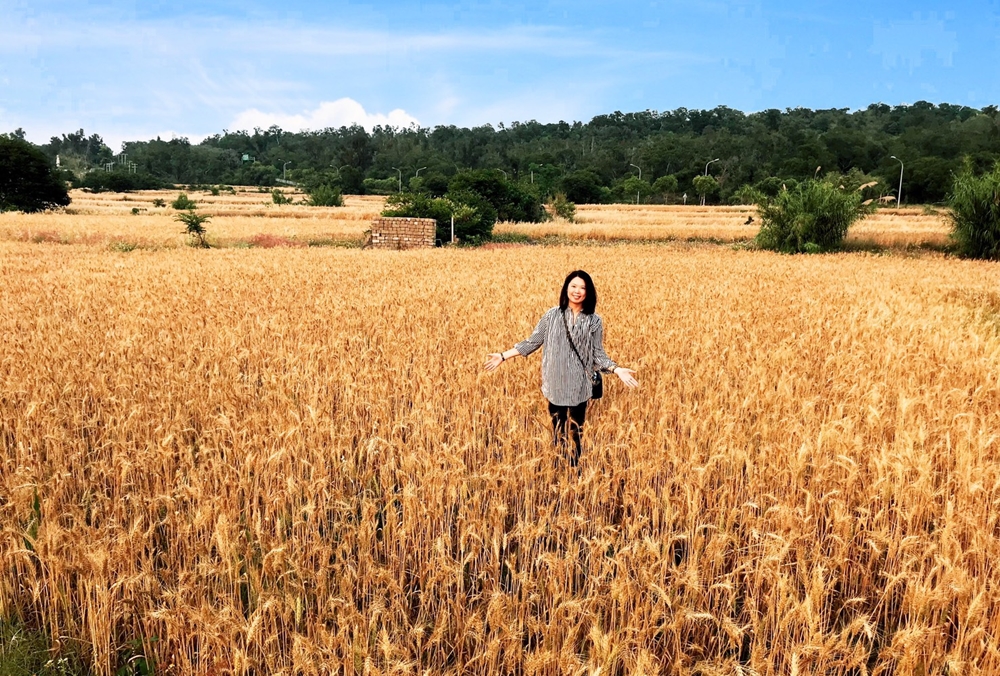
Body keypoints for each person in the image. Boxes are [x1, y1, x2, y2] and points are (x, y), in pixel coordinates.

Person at [484, 270, 639, 466]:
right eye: (573, 286)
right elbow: (533, 342)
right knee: (558, 428)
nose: (577, 291)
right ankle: (558, 465)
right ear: (566, 288)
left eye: (582, 288)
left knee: (576, 430)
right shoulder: (551, 315)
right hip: (555, 381)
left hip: (579, 384)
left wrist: (617, 370)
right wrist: (503, 356)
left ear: (588, 292)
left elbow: (597, 353)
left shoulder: (594, 320)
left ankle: (575, 467)